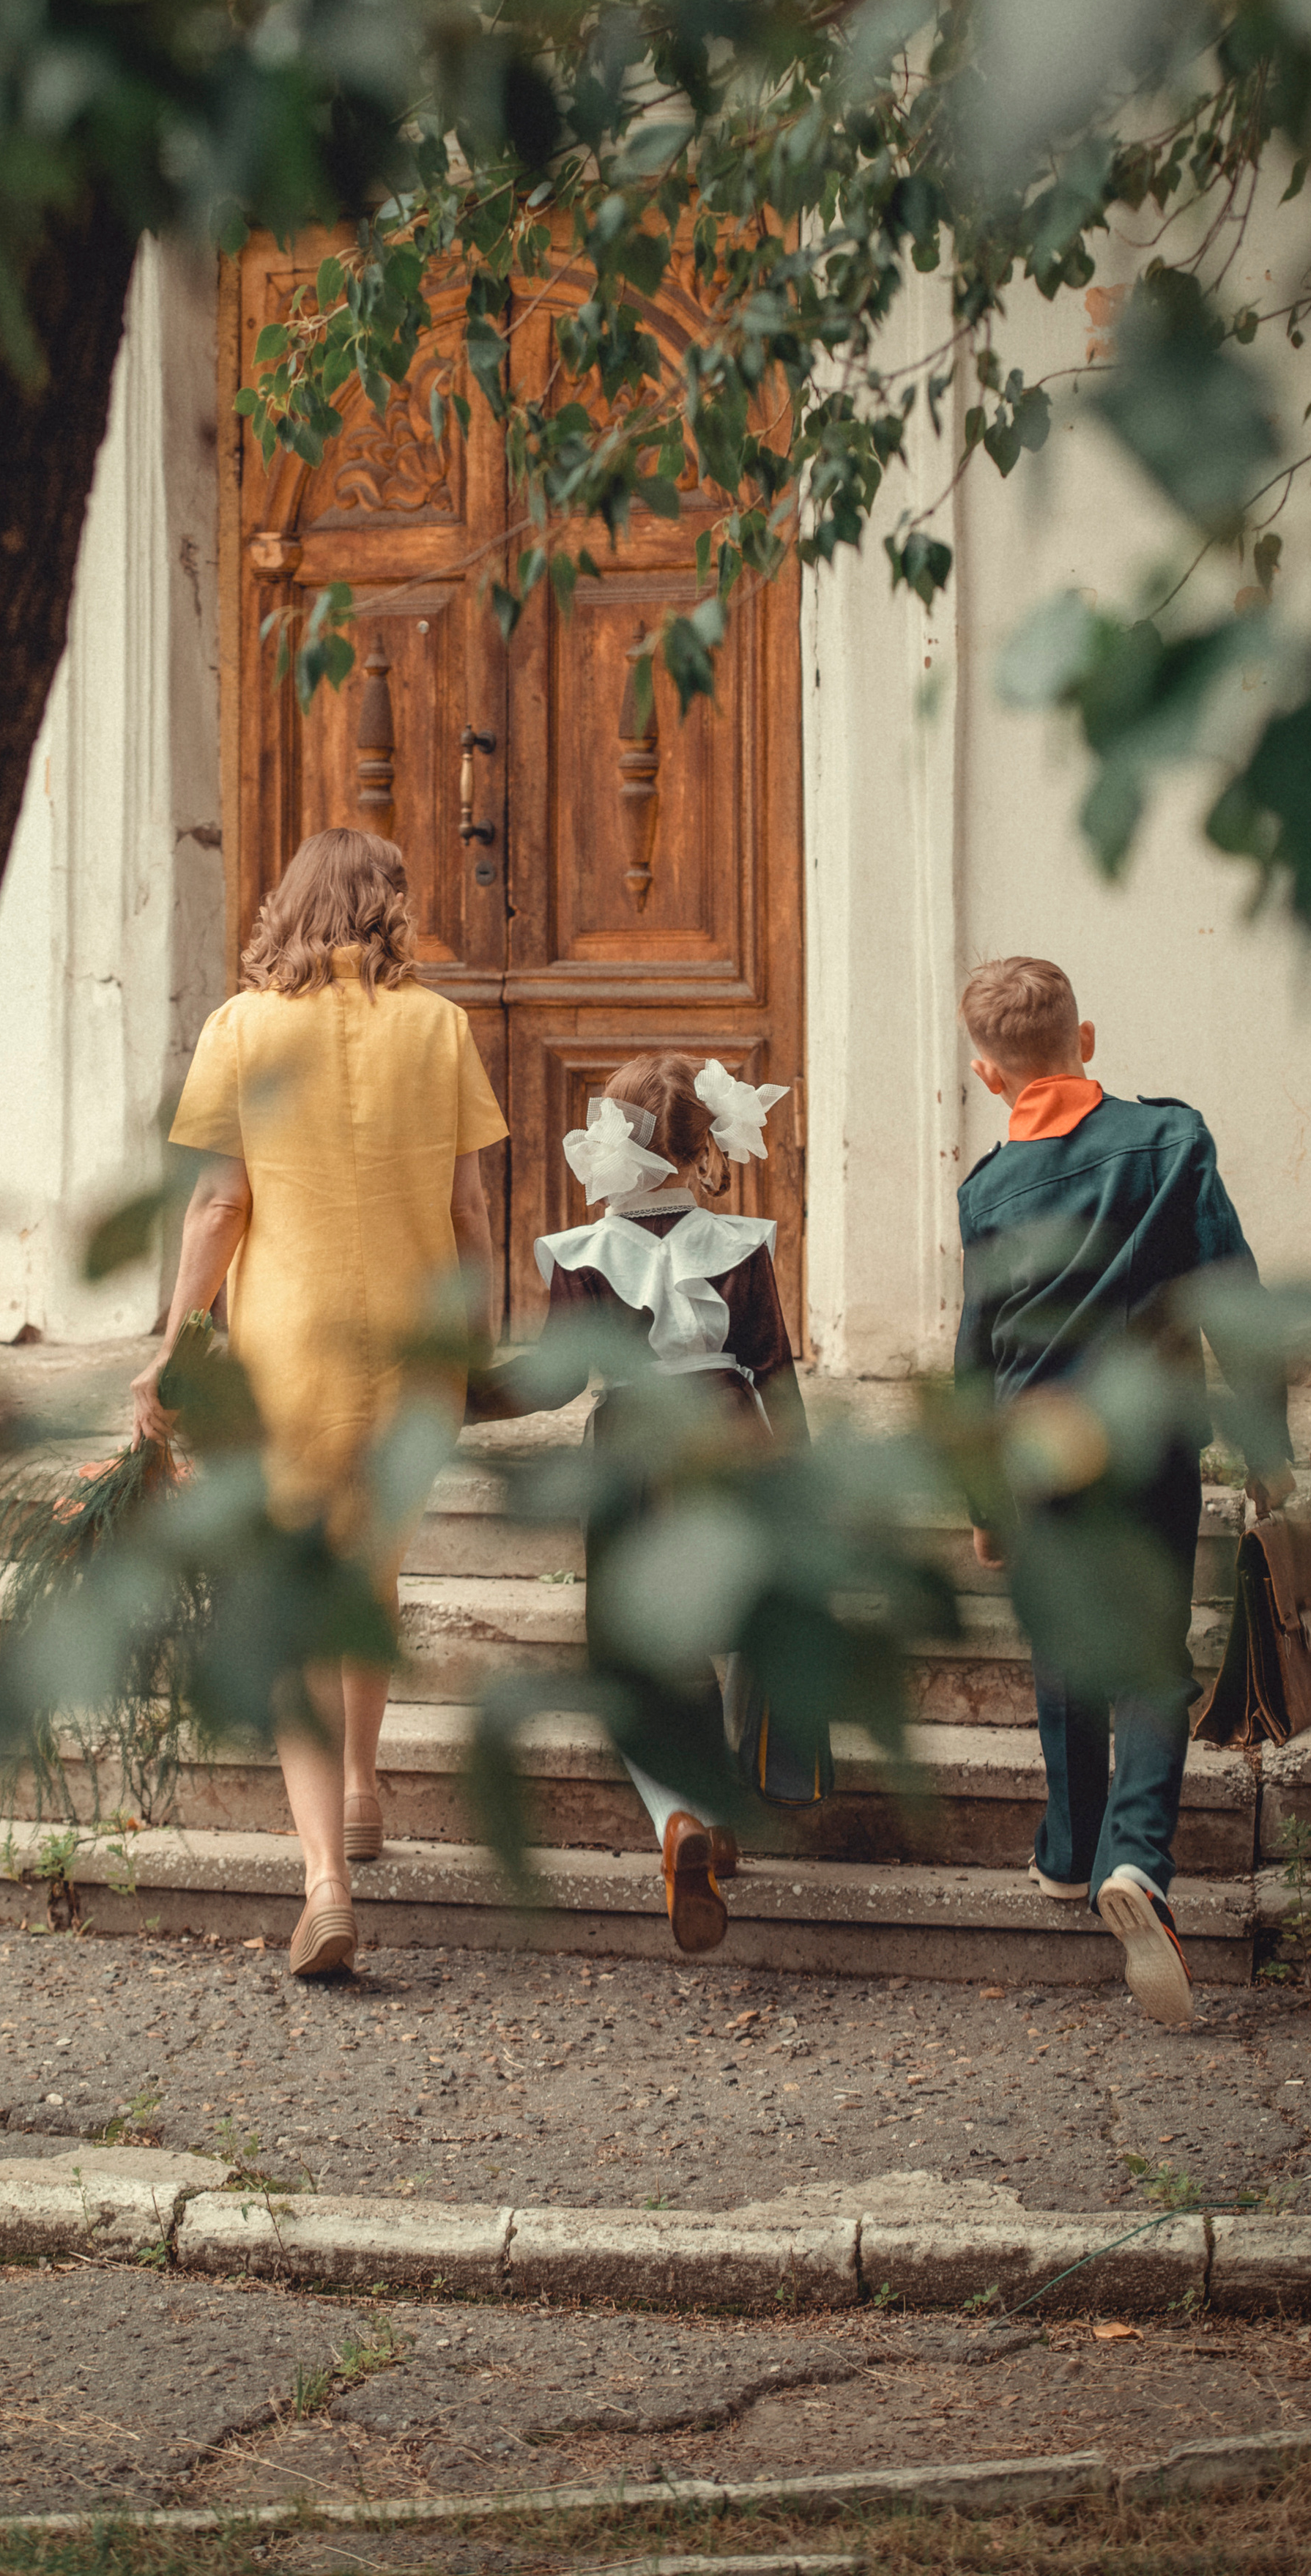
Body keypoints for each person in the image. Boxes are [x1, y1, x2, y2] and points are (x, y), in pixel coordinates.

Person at [133, 828, 507, 1979]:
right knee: (370, 1569)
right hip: (411, 1355)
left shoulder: (242, 1027)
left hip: (287, 1359)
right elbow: (470, 1208)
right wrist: (481, 1337)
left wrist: (170, 1348)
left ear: (288, 908)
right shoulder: (439, 1025)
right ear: (389, 906)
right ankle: (360, 1786)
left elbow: (218, 1205)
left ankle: (325, 1883)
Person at [954, 956, 1296, 2029]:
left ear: (987, 1075)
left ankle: (1069, 1850)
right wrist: (1268, 1439)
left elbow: (977, 1350)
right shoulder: (1172, 1140)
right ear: (1086, 1040)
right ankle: (1136, 1860)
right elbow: (1236, 1295)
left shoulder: (986, 1191)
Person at [476, 1050, 809, 1955]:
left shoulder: (586, 1255)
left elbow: (554, 1381)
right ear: (703, 1151)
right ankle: (725, 1806)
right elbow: (774, 1370)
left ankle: (679, 1819)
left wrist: (459, 1397)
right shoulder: (739, 1245)